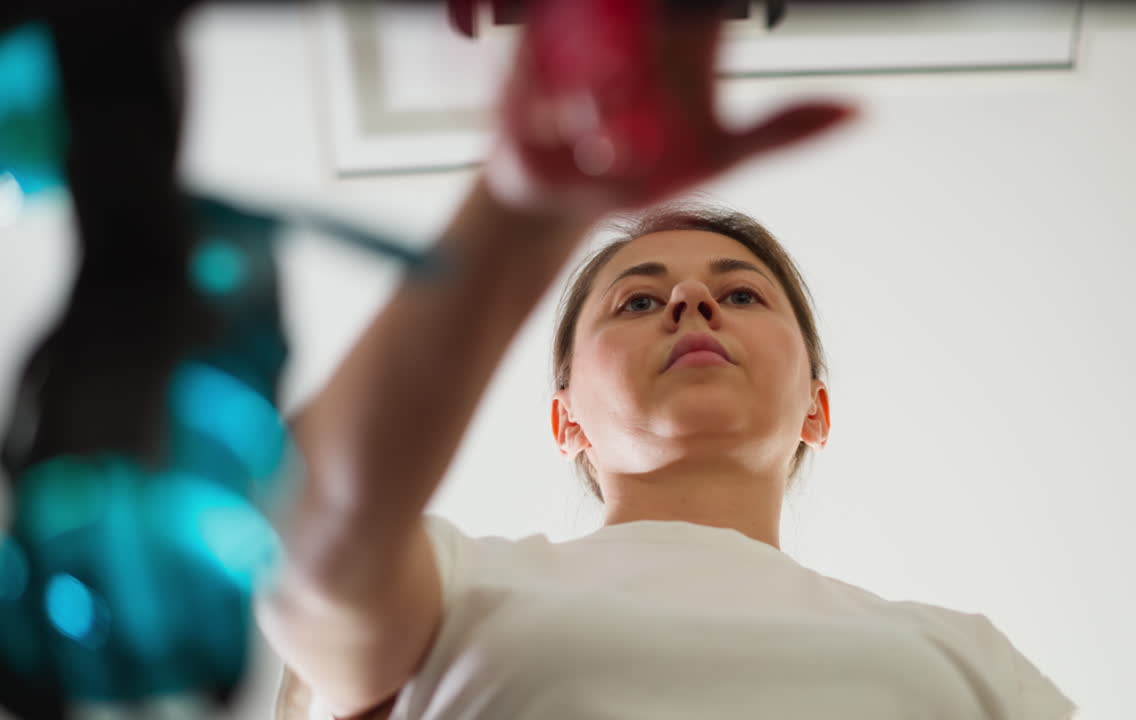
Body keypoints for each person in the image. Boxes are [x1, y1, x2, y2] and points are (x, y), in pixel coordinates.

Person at [255, 2, 1078, 719]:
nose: (693, 304)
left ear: (817, 412)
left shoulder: (966, 657)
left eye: (745, 295)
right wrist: (519, 204)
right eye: (639, 301)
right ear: (565, 418)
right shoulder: (455, 586)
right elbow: (305, 543)